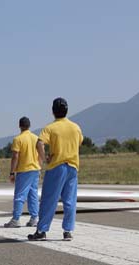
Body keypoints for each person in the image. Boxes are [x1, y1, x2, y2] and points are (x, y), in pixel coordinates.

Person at [28, 98, 83, 241]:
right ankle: (68, 231)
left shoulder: (50, 128)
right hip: (72, 167)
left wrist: (45, 158)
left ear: (53, 111)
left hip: (57, 166)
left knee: (49, 200)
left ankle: (41, 231)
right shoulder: (76, 127)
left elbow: (39, 143)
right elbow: (79, 142)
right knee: (70, 200)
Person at [4, 117, 41, 228]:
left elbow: (15, 156)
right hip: (35, 169)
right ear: (29, 126)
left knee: (20, 195)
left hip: (24, 170)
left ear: (20, 126)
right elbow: (40, 154)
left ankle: (16, 219)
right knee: (33, 194)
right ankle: (34, 218)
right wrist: (39, 167)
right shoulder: (36, 138)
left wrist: (12, 172)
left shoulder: (18, 139)